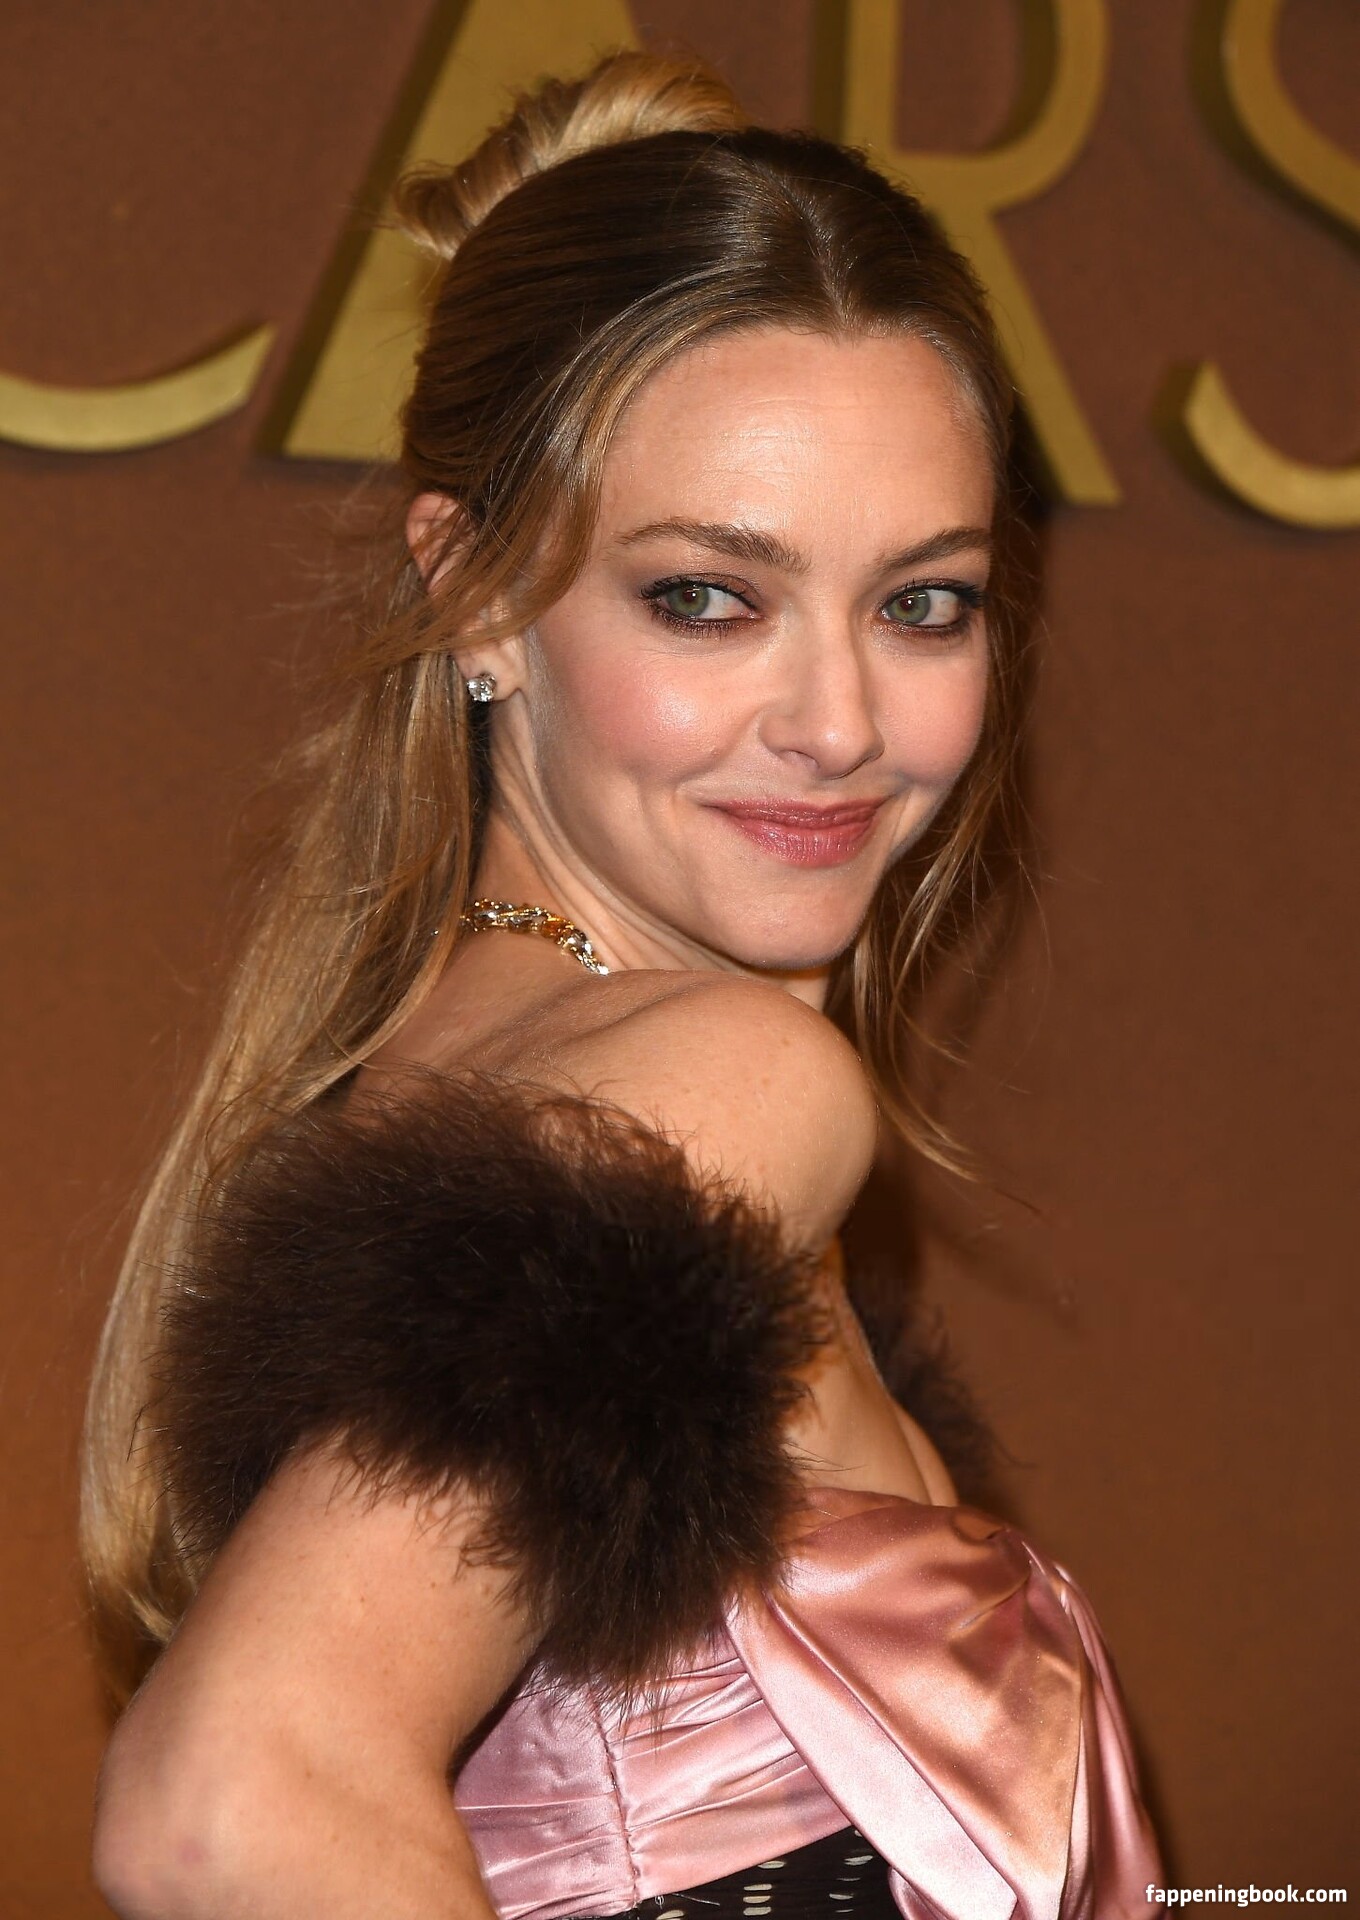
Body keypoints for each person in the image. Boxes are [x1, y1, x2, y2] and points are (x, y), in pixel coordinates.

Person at [83, 51, 1163, 1920]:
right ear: (480, 596)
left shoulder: (454, 1067)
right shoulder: (719, 1086)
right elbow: (226, 1804)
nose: (841, 722)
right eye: (707, 598)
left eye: (923, 602)